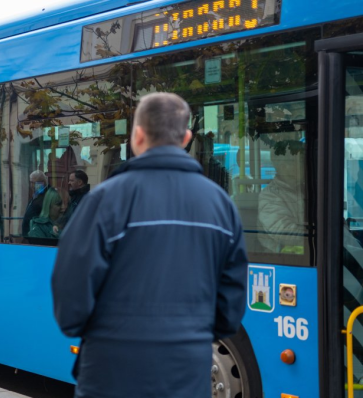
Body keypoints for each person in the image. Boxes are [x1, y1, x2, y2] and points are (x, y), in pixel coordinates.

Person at [52, 92, 248, 398]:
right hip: (188, 372)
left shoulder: (105, 200)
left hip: (109, 372)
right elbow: (231, 299)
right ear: (186, 137)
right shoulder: (221, 205)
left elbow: (71, 284)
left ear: (137, 135)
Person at [258, 147, 306, 254]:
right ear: (284, 167)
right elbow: (285, 232)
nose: (305, 165)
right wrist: (317, 237)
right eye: (301, 161)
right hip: (283, 259)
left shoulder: (304, 189)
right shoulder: (270, 195)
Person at [22, 170, 49, 236]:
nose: (32, 185)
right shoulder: (37, 194)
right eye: (31, 182)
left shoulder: (45, 197)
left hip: (36, 235)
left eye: (34, 183)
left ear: (42, 183)